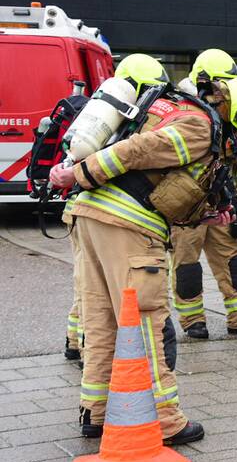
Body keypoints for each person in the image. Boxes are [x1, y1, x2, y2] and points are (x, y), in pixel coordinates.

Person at [49, 71, 237, 445]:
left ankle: (97, 413)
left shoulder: (176, 109)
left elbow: (169, 186)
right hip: (127, 226)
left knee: (102, 320)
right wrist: (79, 174)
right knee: (147, 324)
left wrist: (207, 214)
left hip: (91, 217)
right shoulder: (199, 127)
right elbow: (137, 151)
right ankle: (166, 420)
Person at [65, 53, 171, 366]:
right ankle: (83, 346)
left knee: (89, 288)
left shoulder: (101, 115)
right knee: (100, 294)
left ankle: (78, 347)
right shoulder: (127, 121)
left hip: (80, 209)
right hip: (108, 215)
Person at [170, 49, 237, 339]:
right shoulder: (184, 112)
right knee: (186, 267)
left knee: (234, 262)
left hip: (220, 205)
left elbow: (236, 160)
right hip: (187, 205)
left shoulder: (226, 115)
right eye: (222, 85)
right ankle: (193, 322)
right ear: (204, 82)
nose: (226, 92)